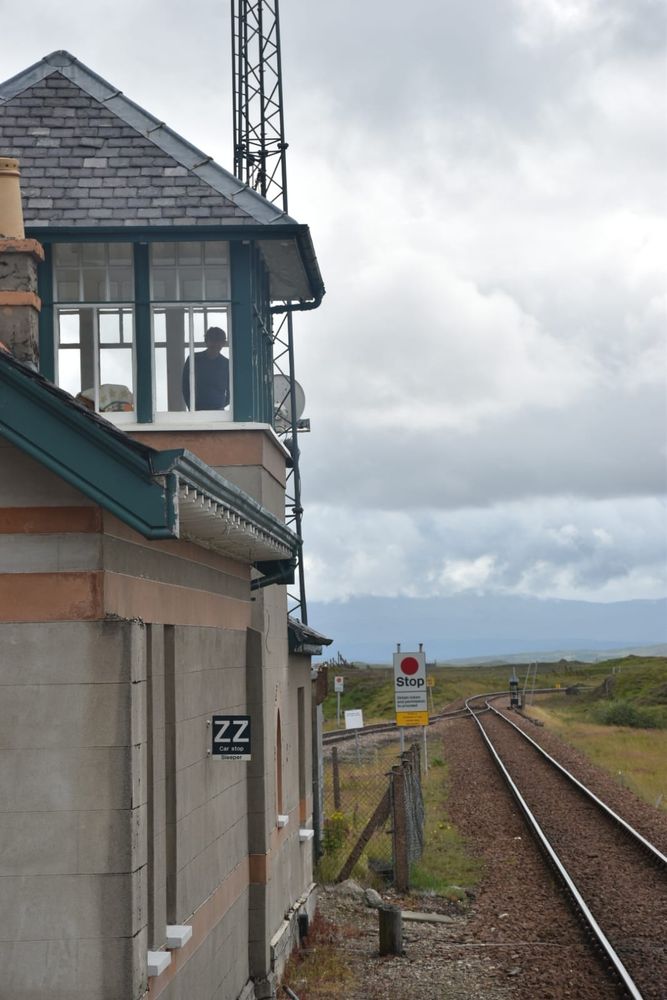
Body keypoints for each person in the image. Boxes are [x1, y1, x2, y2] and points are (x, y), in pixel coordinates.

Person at [182, 326, 230, 410]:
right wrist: (191, 406)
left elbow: (231, 391)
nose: (215, 344)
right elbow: (185, 386)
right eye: (212, 340)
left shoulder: (226, 364)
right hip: (197, 410)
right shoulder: (194, 359)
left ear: (223, 343)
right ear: (206, 341)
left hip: (218, 411)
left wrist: (220, 405)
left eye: (218, 341)